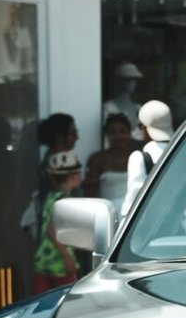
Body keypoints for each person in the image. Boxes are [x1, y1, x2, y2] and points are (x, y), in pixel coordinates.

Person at [33, 147, 83, 290]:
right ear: (72, 177)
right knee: (66, 301)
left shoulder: (50, 197)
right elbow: (51, 230)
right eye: (78, 174)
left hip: (42, 260)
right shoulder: (65, 200)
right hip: (59, 263)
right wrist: (66, 256)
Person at [83, 110, 137, 216]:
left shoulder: (138, 157)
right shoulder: (97, 159)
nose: (118, 136)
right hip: (107, 216)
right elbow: (89, 192)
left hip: (135, 214)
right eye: (113, 132)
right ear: (107, 134)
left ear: (129, 132)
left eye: (123, 131)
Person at [123, 99, 173, 208]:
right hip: (179, 221)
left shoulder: (139, 157)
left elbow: (133, 201)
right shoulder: (183, 152)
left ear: (144, 127)